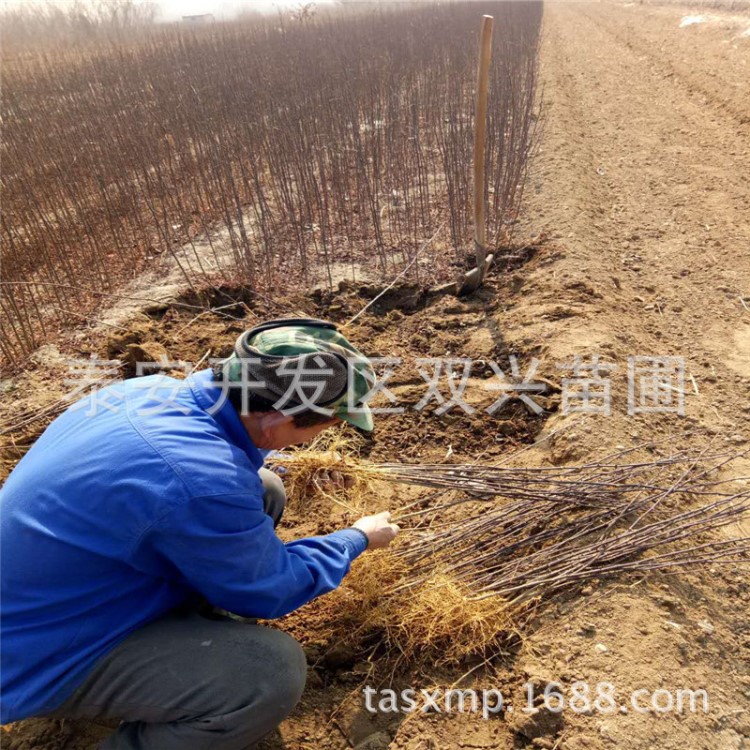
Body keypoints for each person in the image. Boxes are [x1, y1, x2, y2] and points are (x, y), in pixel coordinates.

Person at [0, 317, 399, 749]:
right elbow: (271, 590)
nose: (328, 431)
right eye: (332, 421)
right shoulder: (202, 480)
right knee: (269, 674)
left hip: (49, 593)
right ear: (279, 419)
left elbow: (217, 474)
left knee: (264, 487)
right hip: (33, 653)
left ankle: (195, 632)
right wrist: (355, 538)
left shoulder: (144, 391)